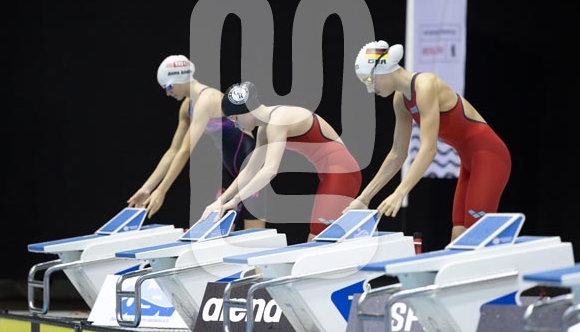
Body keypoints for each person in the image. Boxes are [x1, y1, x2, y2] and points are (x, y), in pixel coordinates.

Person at [344, 40, 511, 241]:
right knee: (458, 234)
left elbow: (429, 150)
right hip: (468, 162)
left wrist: (400, 192)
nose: (370, 89)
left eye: (369, 80)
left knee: (477, 237)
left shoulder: (425, 85)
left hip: (490, 157)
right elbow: (397, 154)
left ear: (383, 69)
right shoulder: (400, 100)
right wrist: (364, 198)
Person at [201, 81, 363, 242]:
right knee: (325, 238)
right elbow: (250, 170)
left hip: (342, 172)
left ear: (245, 110)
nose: (235, 124)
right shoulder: (264, 129)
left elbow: (270, 171)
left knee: (317, 239)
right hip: (330, 174)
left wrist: (236, 200)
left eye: (234, 118)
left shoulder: (277, 121)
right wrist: (221, 201)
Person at [127, 55, 265, 230]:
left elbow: (185, 151)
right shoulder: (187, 106)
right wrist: (147, 188)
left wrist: (162, 190)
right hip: (228, 164)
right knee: (219, 227)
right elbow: (173, 151)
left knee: (253, 231)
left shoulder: (206, 100)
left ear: (180, 78)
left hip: (248, 158)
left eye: (169, 87)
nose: (168, 93)